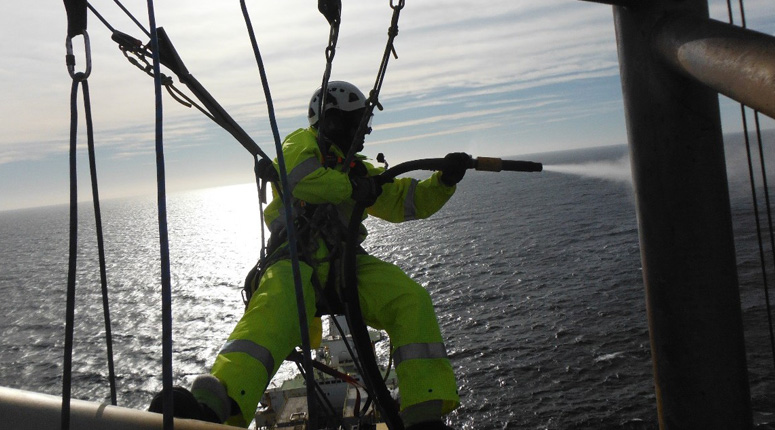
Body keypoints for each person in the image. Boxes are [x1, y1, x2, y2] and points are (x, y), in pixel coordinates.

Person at [153, 81, 469, 429]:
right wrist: (353, 186)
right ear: (333, 122)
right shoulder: (301, 145)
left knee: (411, 299)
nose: (363, 134)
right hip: (295, 259)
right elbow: (298, 176)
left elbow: (405, 201)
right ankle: (218, 410)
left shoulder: (358, 169)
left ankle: (423, 413)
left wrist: (444, 181)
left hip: (344, 263)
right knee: (272, 314)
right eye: (358, 124)